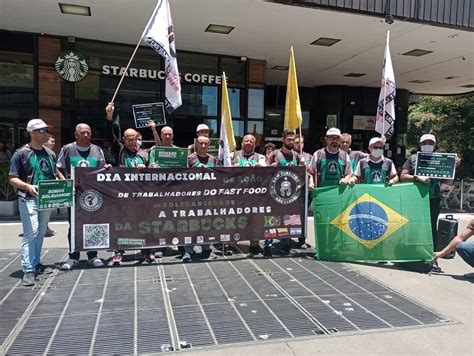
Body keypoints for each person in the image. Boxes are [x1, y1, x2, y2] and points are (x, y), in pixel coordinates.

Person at [9, 119, 62, 286]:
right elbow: (12, 178)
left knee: (40, 233)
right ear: (32, 132)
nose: (45, 133)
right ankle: (28, 269)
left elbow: (53, 174)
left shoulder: (51, 154)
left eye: (46, 130)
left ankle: (36, 262)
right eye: (41, 131)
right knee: (30, 234)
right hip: (28, 199)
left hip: (46, 200)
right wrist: (27, 186)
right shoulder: (21, 153)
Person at [106, 102, 154, 264]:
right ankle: (119, 252)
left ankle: (146, 251)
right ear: (124, 140)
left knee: (144, 224)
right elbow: (110, 135)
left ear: (138, 139)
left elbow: (151, 172)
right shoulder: (120, 150)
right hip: (123, 195)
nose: (131, 142)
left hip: (142, 196)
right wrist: (110, 117)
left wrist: (147, 168)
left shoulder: (145, 153)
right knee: (121, 224)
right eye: (128, 139)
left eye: (134, 139)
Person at [57, 124, 107, 270]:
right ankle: (73, 256)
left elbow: (103, 168)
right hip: (74, 195)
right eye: (83, 132)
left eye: (88, 132)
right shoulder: (67, 149)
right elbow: (58, 168)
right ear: (76, 135)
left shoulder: (97, 150)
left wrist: (107, 168)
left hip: (92, 195)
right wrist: (66, 184)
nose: (86, 135)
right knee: (74, 225)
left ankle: (93, 256)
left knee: (93, 224)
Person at [400, 134, 461, 251]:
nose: (427, 145)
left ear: (435, 145)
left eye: (430, 143)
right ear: (420, 145)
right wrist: (417, 177)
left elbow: (448, 182)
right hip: (415, 197)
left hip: (434, 198)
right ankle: (410, 251)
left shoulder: (442, 159)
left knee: (432, 226)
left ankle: (431, 255)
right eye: (424, 143)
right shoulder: (413, 158)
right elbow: (403, 175)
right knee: (413, 226)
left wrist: (453, 167)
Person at [267, 130, 306, 256]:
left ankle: (285, 243)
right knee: (273, 219)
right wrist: (270, 168)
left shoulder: (297, 156)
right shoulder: (274, 154)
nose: (291, 142)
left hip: (291, 196)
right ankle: (268, 244)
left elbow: (303, 176)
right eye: (289, 139)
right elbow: (263, 174)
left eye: (293, 140)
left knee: (289, 219)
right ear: (283, 139)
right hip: (275, 195)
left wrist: (303, 166)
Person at [183, 135, 219, 262]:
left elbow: (219, 176)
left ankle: (206, 249)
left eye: (206, 143)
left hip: (208, 197)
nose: (203, 146)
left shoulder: (214, 159)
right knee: (190, 224)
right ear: (196, 144)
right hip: (192, 197)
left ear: (209, 145)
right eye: (201, 143)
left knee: (207, 224)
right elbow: (181, 175)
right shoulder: (189, 158)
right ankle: (188, 251)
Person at [232, 134, 267, 256]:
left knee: (254, 220)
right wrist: (231, 167)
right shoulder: (233, 155)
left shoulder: (260, 157)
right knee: (234, 219)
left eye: (251, 141)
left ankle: (254, 245)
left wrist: (260, 167)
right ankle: (232, 243)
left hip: (255, 195)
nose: (248, 143)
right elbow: (223, 169)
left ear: (255, 144)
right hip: (237, 194)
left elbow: (266, 168)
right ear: (242, 142)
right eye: (246, 140)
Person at [293, 134, 314, 249]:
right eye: (296, 142)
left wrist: (311, 180)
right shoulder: (290, 155)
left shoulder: (308, 156)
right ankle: (287, 238)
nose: (298, 144)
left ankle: (302, 238)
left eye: (300, 142)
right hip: (291, 190)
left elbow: (311, 171)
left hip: (304, 190)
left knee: (302, 215)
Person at [42, 134, 57, 237]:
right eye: (51, 141)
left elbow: (55, 169)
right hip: (38, 187)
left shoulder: (52, 154)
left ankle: (45, 227)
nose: (53, 143)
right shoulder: (34, 152)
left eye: (54, 141)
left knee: (47, 210)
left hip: (49, 186)